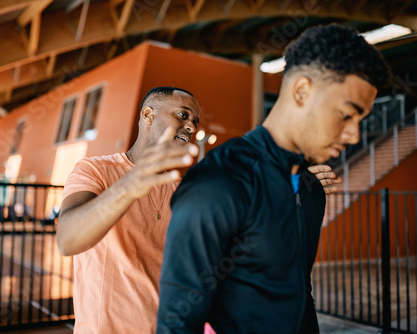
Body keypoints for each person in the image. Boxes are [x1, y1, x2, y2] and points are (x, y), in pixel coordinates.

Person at [156, 24, 391, 334]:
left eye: (361, 120)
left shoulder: (310, 189)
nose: (354, 135)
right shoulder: (219, 181)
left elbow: (300, 296)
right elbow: (177, 325)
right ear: (301, 91)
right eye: (347, 115)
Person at [57, 87, 340, 334]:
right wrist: (130, 184)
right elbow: (68, 238)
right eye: (182, 115)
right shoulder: (95, 170)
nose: (191, 126)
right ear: (148, 115)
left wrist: (290, 188)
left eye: (195, 121)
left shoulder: (186, 189)